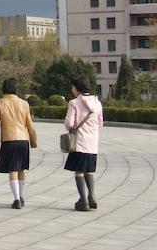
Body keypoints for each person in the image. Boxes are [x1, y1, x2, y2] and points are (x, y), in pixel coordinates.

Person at [0, 78, 38, 209]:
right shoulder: (24, 104)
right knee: (21, 169)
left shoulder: (0, 103)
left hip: (9, 139)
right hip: (23, 140)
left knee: (13, 170)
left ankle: (16, 199)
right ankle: (21, 197)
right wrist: (33, 140)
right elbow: (30, 125)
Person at [63, 76, 104, 211]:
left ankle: (83, 200)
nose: (71, 89)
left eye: (73, 87)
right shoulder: (97, 103)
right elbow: (100, 123)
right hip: (92, 144)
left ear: (77, 88)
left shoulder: (74, 103)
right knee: (89, 171)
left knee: (79, 171)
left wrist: (73, 127)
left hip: (79, 142)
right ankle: (92, 197)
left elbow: (69, 123)